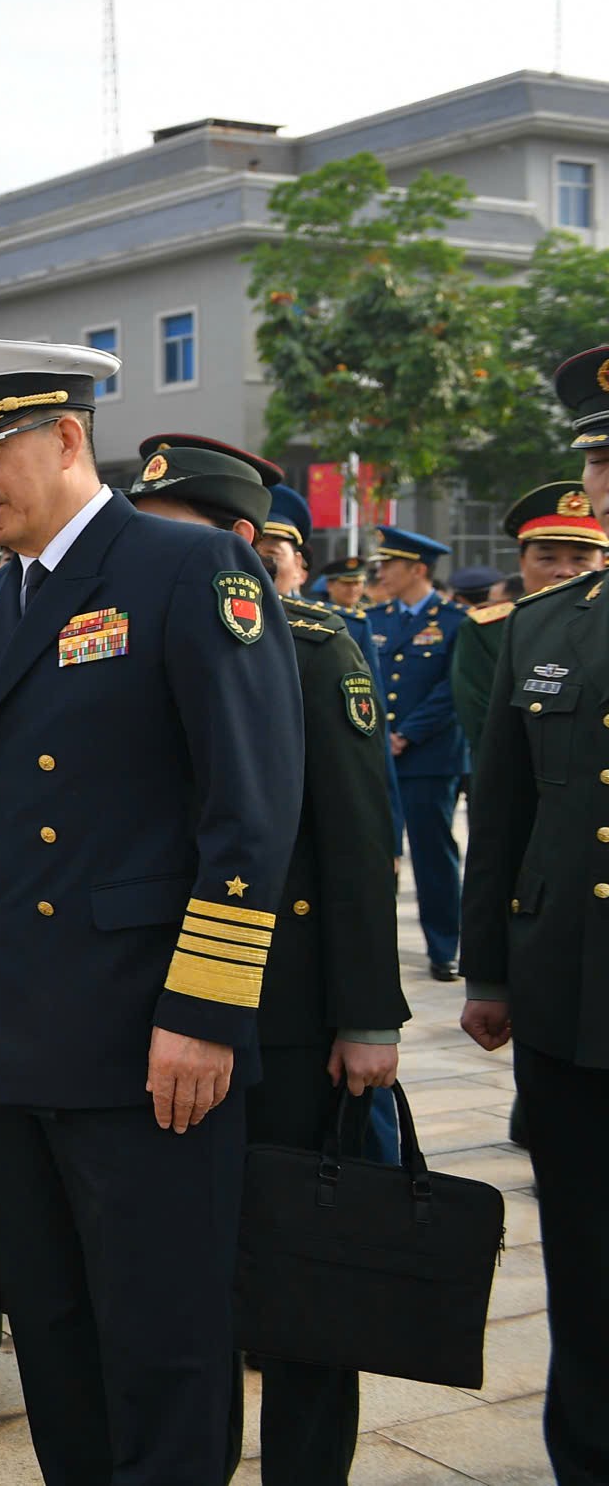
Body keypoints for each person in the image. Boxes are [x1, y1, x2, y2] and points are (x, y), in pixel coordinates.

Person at [0, 342, 301, 1485]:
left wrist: (203, 1014)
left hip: (146, 1041)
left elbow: (248, 811)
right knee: (53, 1330)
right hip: (12, 1038)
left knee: (163, 1337)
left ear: (68, 437)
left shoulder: (186, 567)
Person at [127, 436, 409, 1485]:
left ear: (240, 544)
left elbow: (356, 842)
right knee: (178, 1276)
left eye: (177, 536)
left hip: (285, 1014)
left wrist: (366, 1018)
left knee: (302, 1271)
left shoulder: (310, 646)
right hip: (157, 1004)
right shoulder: (121, 640)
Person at [461, 344, 609, 1486]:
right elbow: (502, 810)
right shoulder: (544, 627)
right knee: (587, 1260)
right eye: (602, 459)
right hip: (572, 992)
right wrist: (487, 973)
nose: (605, 479)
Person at [365, 526, 469, 980]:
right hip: (377, 757)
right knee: (375, 855)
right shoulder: (375, 618)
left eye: (389, 565)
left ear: (418, 569)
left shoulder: (455, 621)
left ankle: (444, 947)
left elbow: (453, 688)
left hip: (430, 758)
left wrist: (406, 734)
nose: (381, 573)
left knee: (433, 856)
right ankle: (374, 949)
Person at [451, 483, 604, 735]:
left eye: (580, 559)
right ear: (522, 562)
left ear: (603, 563)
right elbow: (485, 725)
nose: (564, 571)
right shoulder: (487, 631)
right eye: (547, 558)